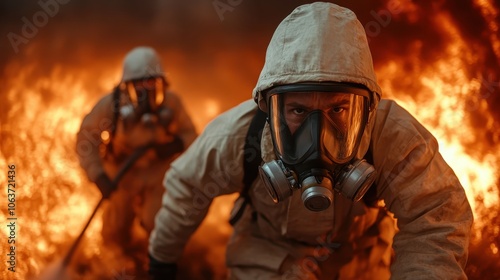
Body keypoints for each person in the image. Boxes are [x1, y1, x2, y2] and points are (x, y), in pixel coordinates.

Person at [148, 3, 473, 280]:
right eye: (299, 110)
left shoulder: (390, 135)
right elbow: (188, 187)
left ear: (366, 107)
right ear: (269, 107)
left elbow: (436, 214)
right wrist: (161, 262)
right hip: (265, 262)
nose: (318, 134)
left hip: (358, 264)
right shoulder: (238, 136)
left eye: (338, 108)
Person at [76, 46, 197, 269]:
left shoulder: (172, 103)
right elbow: (86, 139)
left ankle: (161, 262)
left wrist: (176, 144)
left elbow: (192, 135)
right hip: (122, 174)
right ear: (127, 87)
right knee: (115, 233)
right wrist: (98, 175)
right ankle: (114, 267)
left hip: (157, 171)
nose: (147, 91)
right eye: (140, 85)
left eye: (152, 83)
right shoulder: (111, 106)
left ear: (162, 83)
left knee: (158, 222)